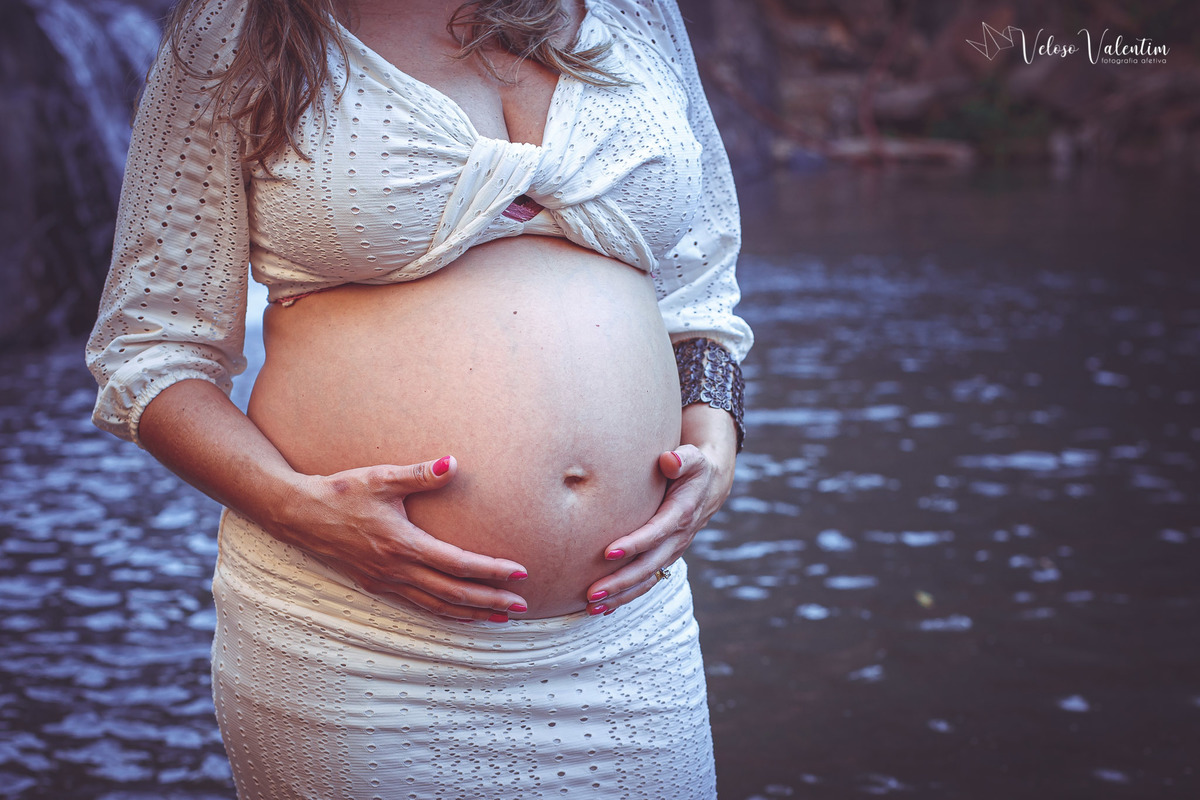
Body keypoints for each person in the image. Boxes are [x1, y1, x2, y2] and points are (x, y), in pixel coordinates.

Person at [86, 0, 752, 796]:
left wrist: (716, 439)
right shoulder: (245, 21)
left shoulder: (636, 11)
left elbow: (700, 293)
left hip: (631, 634)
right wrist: (295, 509)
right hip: (359, 645)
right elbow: (151, 346)